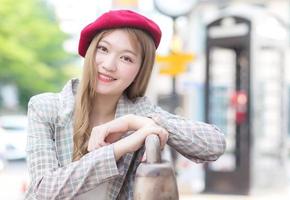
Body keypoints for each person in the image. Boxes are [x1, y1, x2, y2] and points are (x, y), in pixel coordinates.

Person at [25, 9, 226, 200]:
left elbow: (214, 145)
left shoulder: (140, 113)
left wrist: (137, 122)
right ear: (90, 51)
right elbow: (45, 190)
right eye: (103, 49)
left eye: (126, 58)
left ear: (140, 70)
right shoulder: (46, 108)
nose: (109, 65)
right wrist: (119, 148)